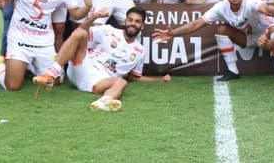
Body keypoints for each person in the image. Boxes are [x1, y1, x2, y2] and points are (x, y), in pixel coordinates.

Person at [33, 7, 171, 112]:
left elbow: (135, 77)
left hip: (99, 82)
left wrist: (159, 80)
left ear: (142, 26)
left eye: (137, 22)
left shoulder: (140, 51)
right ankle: (51, 74)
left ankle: (102, 103)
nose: (133, 24)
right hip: (83, 65)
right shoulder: (108, 30)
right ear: (125, 21)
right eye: (130, 20)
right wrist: (94, 17)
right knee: (81, 33)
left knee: (121, 81)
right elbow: (79, 32)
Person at [153, 0, 274, 80]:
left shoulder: (251, 2)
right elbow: (197, 24)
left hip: (268, 37)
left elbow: (266, 8)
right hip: (248, 39)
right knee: (221, 29)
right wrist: (173, 33)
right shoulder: (221, 7)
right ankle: (233, 71)